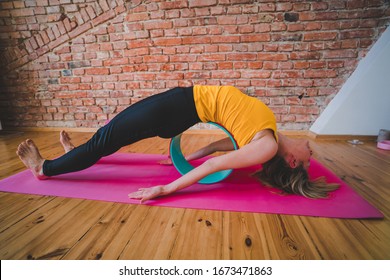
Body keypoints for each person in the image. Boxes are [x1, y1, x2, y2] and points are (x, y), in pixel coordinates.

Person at [16, 86, 338, 203]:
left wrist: (166, 189)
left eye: (309, 161)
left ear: (292, 162)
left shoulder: (267, 147)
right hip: (180, 109)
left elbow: (213, 166)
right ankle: (76, 154)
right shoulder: (267, 134)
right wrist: (181, 157)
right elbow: (215, 149)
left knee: (108, 136)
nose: (311, 154)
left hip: (178, 107)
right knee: (110, 134)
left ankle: (45, 169)